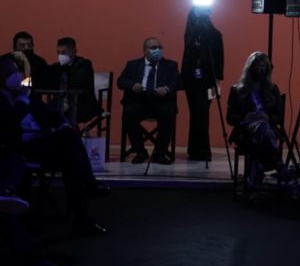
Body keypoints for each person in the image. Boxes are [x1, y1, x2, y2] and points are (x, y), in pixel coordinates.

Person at [2, 53, 109, 237]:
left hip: (40, 141)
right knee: (71, 149)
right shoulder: (3, 100)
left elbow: (49, 113)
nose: (17, 75)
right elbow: (9, 127)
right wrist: (20, 104)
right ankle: (88, 191)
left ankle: (83, 217)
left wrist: (61, 122)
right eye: (12, 72)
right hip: (18, 148)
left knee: (69, 140)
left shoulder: (26, 92)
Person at [226, 52, 295, 194]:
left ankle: (254, 183)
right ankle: (279, 165)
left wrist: (267, 117)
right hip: (245, 132)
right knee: (261, 130)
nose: (260, 70)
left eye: (263, 67)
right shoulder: (237, 90)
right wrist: (246, 117)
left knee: (261, 131)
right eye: (257, 66)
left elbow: (279, 116)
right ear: (250, 68)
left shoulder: (272, 90)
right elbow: (230, 118)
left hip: (266, 129)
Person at [118, 37, 179, 165]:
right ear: (145, 51)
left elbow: (178, 82)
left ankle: (160, 153)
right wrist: (132, 85)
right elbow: (121, 81)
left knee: (168, 113)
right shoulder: (133, 65)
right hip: (140, 100)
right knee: (129, 114)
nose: (157, 50)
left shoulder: (170, 65)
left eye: (159, 47)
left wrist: (167, 89)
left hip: (160, 101)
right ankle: (140, 151)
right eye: (153, 48)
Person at [181, 7, 224, 162]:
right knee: (195, 113)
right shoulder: (191, 36)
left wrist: (217, 80)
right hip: (191, 80)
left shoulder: (215, 35)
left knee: (203, 113)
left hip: (209, 81)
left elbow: (219, 59)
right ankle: (194, 149)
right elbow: (187, 56)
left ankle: (203, 149)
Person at [50, 36, 100, 126]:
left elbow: (77, 82)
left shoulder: (84, 65)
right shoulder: (56, 66)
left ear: (73, 52)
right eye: (58, 52)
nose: (60, 56)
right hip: (60, 102)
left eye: (63, 53)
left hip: (81, 104)